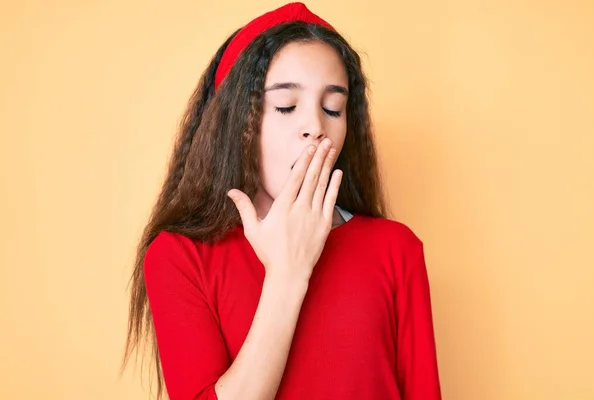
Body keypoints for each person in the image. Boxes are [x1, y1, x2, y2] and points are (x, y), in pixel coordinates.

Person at [122, 2, 442, 400]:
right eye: (286, 106)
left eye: (333, 109)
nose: (315, 127)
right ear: (238, 124)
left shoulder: (395, 248)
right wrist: (288, 275)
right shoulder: (179, 256)